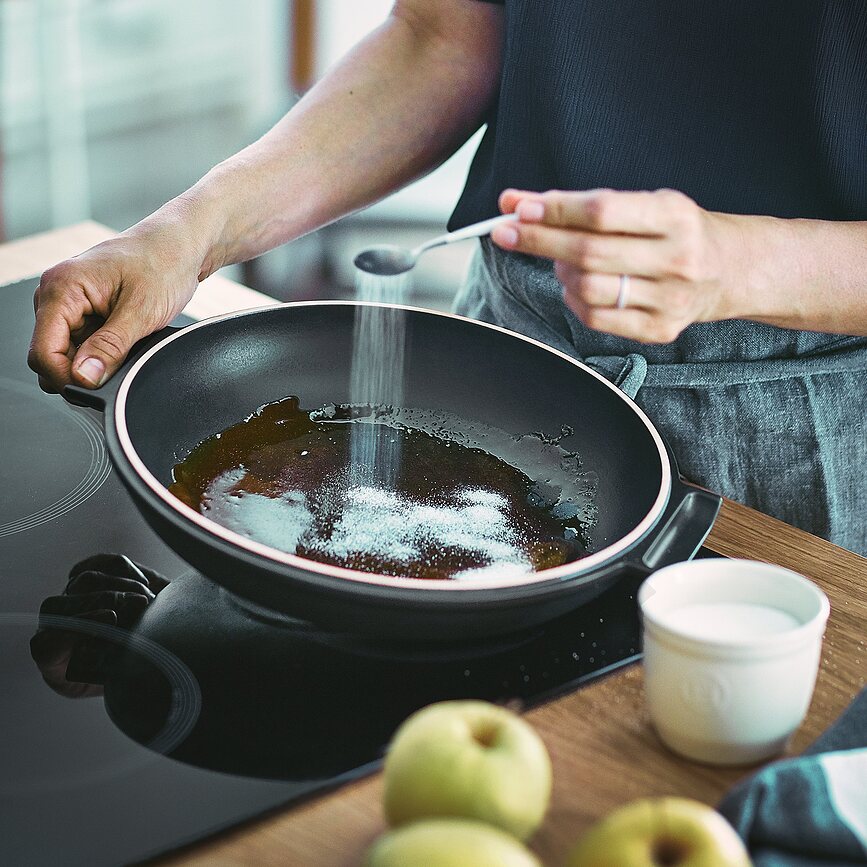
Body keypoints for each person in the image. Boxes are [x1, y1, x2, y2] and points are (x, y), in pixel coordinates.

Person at [27, 1, 867, 554]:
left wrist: (735, 263)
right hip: (517, 346)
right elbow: (441, 36)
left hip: (804, 435)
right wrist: (189, 231)